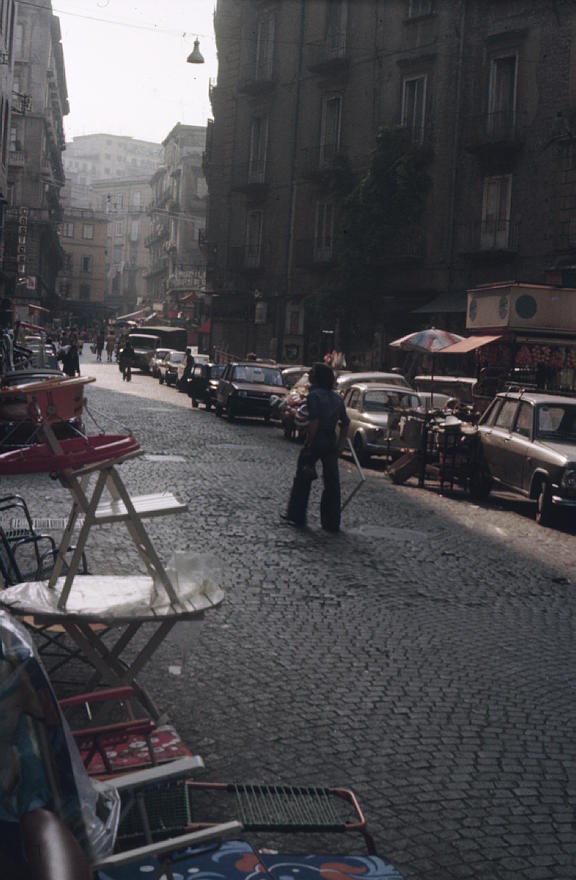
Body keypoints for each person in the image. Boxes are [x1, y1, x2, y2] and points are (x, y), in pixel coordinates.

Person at [283, 362, 350, 532]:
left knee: (303, 478)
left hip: (317, 439)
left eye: (312, 372)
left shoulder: (314, 396)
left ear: (317, 377)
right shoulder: (337, 398)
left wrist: (309, 444)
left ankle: (296, 515)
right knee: (332, 484)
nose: (310, 374)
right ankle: (331, 522)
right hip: (331, 441)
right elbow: (345, 423)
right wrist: (341, 445)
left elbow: (314, 421)